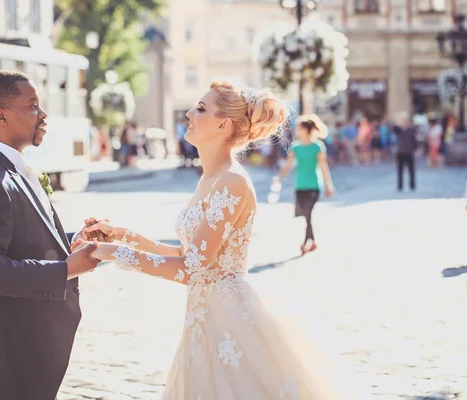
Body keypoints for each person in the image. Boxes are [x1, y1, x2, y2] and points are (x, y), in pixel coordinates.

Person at [76, 80, 372, 399]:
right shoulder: (210, 178)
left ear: (223, 124)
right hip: (204, 321)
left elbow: (194, 269)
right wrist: (122, 235)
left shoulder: (231, 183)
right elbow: (187, 252)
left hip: (232, 325)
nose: (190, 113)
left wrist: (110, 252)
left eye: (200, 108)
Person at [0, 71, 100, 400]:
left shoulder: (11, 167)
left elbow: (21, 236)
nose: (43, 115)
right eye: (32, 106)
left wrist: (71, 241)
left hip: (19, 354)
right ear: (0, 116)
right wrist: (67, 269)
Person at [276, 114, 335, 254]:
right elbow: (288, 165)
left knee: (308, 213)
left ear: (305, 129)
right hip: (299, 185)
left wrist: (329, 185)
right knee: (304, 214)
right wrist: (279, 178)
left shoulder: (318, 146)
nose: (295, 130)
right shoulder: (295, 147)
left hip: (314, 185)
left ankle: (305, 243)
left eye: (298, 127)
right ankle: (313, 241)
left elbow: (323, 167)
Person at [394, 115, 417, 191]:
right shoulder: (398, 130)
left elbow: (414, 141)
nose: (404, 124)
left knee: (411, 171)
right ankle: (400, 186)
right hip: (400, 152)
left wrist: (415, 149)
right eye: (402, 122)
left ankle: (412, 185)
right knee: (400, 171)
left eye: (405, 122)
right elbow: (393, 128)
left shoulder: (411, 130)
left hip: (409, 152)